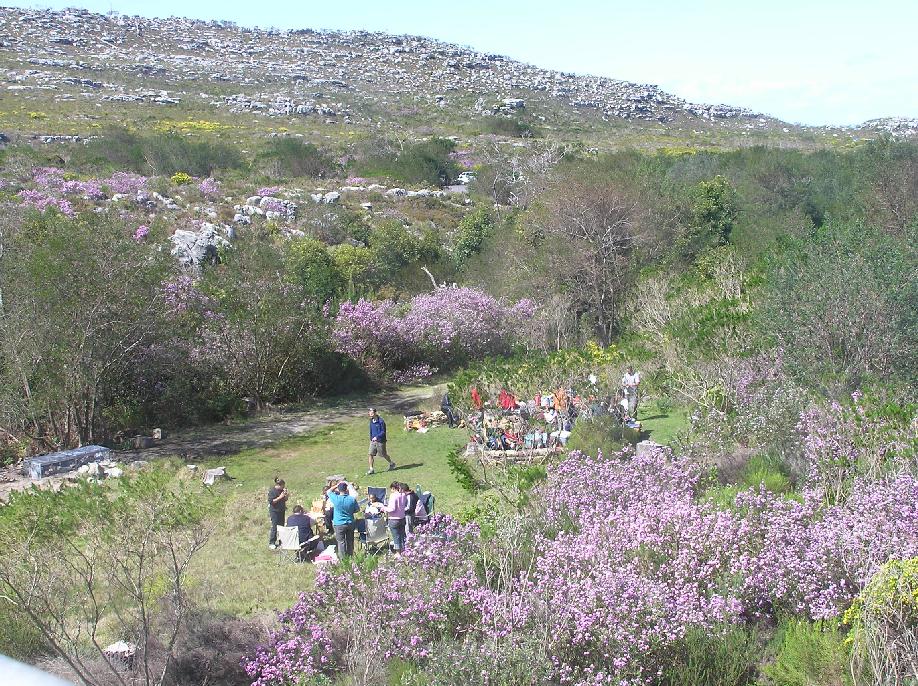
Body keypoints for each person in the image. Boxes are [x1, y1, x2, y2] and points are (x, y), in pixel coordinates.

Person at [327, 481, 360, 558]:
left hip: (339, 523)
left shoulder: (336, 498)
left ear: (338, 489)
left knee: (341, 542)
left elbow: (328, 491)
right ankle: (350, 556)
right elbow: (357, 510)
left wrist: (336, 485)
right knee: (350, 541)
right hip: (350, 522)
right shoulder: (352, 499)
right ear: (346, 489)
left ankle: (343, 559)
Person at [381, 481, 407, 553]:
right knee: (402, 536)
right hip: (402, 518)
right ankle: (405, 550)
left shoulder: (393, 496)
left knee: (396, 537)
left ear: (393, 488)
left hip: (394, 519)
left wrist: (383, 508)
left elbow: (392, 509)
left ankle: (398, 552)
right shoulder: (403, 495)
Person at [367, 408, 395, 475]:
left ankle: (391, 463)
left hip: (380, 441)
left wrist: (377, 437)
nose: (370, 414)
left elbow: (383, 432)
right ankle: (371, 469)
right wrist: (371, 438)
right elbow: (371, 430)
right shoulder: (371, 421)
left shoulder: (381, 421)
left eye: (371, 413)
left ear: (375, 413)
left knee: (383, 455)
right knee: (370, 454)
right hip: (373, 441)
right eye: (369, 413)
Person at [267, 477, 288, 550]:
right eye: (283, 486)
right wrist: (280, 497)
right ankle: (272, 542)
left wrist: (286, 495)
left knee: (281, 526)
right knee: (275, 527)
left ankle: (281, 541)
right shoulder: (272, 491)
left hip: (281, 510)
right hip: (274, 511)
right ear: (279, 485)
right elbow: (272, 501)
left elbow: (285, 499)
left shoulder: (282, 491)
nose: (283, 487)